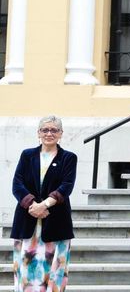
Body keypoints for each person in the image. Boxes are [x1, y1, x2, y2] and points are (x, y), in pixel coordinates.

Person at [11, 115, 77, 291]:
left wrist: (44, 205)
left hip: (56, 223)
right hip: (28, 221)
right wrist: (33, 205)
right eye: (45, 130)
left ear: (61, 133)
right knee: (26, 272)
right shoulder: (27, 155)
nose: (49, 133)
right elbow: (17, 184)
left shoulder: (69, 158)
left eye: (54, 130)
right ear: (38, 133)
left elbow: (66, 186)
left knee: (54, 272)